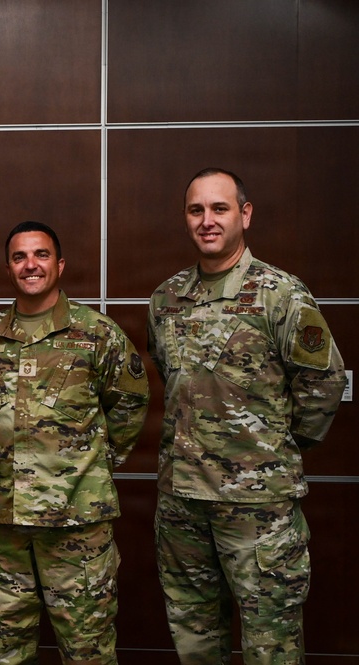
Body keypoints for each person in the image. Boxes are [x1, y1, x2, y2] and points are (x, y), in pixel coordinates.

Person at [148, 168, 347, 665]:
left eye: (220, 208)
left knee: (270, 646)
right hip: (182, 504)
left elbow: (323, 383)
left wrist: (273, 450)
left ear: (245, 214)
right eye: (196, 210)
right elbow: (172, 380)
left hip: (259, 508)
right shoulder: (165, 299)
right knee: (195, 642)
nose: (207, 220)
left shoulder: (280, 294)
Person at [0, 221, 149, 665]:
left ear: (60, 264)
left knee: (87, 648)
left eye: (41, 254)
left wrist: (92, 466)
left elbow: (130, 404)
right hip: (7, 524)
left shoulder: (97, 332)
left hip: (78, 523)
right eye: (19, 257)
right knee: (9, 645)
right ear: (8, 269)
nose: (30, 264)